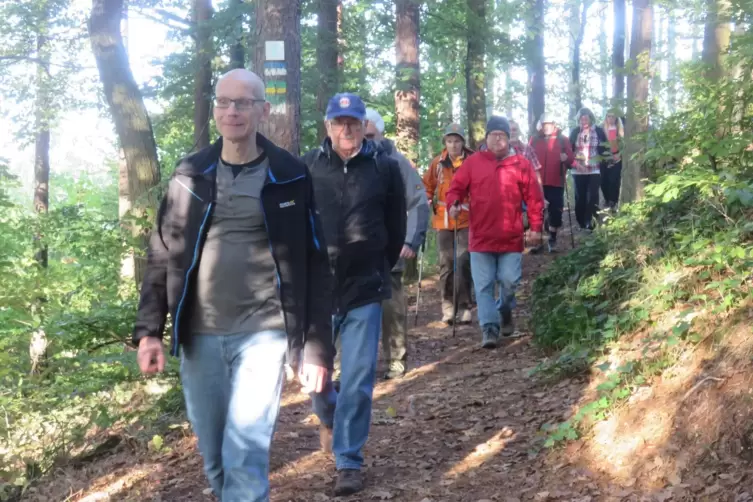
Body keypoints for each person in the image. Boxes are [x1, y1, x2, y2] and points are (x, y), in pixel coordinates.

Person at [133, 69, 333, 502]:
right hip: (200, 334)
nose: (232, 111)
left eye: (243, 103)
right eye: (224, 102)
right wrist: (149, 331)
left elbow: (315, 263)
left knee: (245, 453)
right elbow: (162, 253)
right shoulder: (190, 174)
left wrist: (317, 347)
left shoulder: (290, 174)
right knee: (216, 457)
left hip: (265, 332)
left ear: (263, 110)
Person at [303, 93, 406, 496]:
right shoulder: (308, 167)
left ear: (365, 125)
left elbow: (395, 225)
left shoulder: (384, 167)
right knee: (317, 379)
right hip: (318, 290)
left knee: (360, 377)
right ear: (328, 126)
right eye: (339, 121)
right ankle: (329, 415)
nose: (346, 128)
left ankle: (348, 460)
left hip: (365, 286)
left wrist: (379, 261)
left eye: (353, 121)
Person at [446, 116, 544, 348]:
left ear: (509, 139)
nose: (498, 139)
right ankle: (489, 328)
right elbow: (456, 188)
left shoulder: (521, 164)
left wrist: (536, 227)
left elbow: (534, 198)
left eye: (502, 135)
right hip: (480, 238)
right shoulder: (473, 163)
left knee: (509, 282)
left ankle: (505, 310)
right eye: (494, 135)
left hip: (511, 237)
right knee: (483, 285)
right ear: (486, 137)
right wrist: (453, 203)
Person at [364, 108, 429, 380]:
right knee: (351, 311)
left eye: (370, 134)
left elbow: (418, 203)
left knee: (391, 307)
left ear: (379, 132)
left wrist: (411, 240)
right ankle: (350, 365)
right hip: (354, 253)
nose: (365, 139)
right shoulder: (342, 161)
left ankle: (396, 360)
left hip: (389, 250)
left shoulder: (397, 163)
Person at [422, 124, 474, 325]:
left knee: (463, 261)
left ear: (463, 142)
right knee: (446, 263)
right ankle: (447, 306)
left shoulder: (472, 161)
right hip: (443, 218)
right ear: (445, 142)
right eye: (449, 141)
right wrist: (426, 198)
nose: (453, 145)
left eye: (457, 141)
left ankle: (465, 306)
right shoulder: (438, 163)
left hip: (467, 217)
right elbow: (428, 185)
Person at [530, 113, 575, 252]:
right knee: (537, 211)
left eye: (548, 124)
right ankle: (539, 242)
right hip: (538, 182)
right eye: (544, 125)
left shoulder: (563, 140)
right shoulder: (534, 140)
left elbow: (571, 160)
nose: (546, 127)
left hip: (557, 181)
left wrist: (566, 158)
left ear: (554, 124)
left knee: (556, 211)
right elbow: (527, 158)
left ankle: (552, 239)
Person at [569, 107, 608, 231]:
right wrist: (574, 164)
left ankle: (590, 223)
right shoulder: (575, 132)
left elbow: (605, 148)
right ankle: (581, 222)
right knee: (580, 197)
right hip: (578, 169)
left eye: (586, 118)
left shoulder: (599, 131)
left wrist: (607, 160)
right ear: (578, 120)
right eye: (581, 118)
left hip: (594, 168)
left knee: (592, 196)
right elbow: (569, 150)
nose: (584, 120)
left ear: (591, 118)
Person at [601, 109, 624, 211]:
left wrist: (618, 154)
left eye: (613, 116)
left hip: (617, 158)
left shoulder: (620, 129)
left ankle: (613, 201)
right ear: (606, 118)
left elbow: (623, 145)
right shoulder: (601, 129)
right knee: (603, 181)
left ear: (616, 118)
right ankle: (607, 199)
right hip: (604, 158)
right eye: (609, 116)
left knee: (614, 180)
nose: (611, 118)